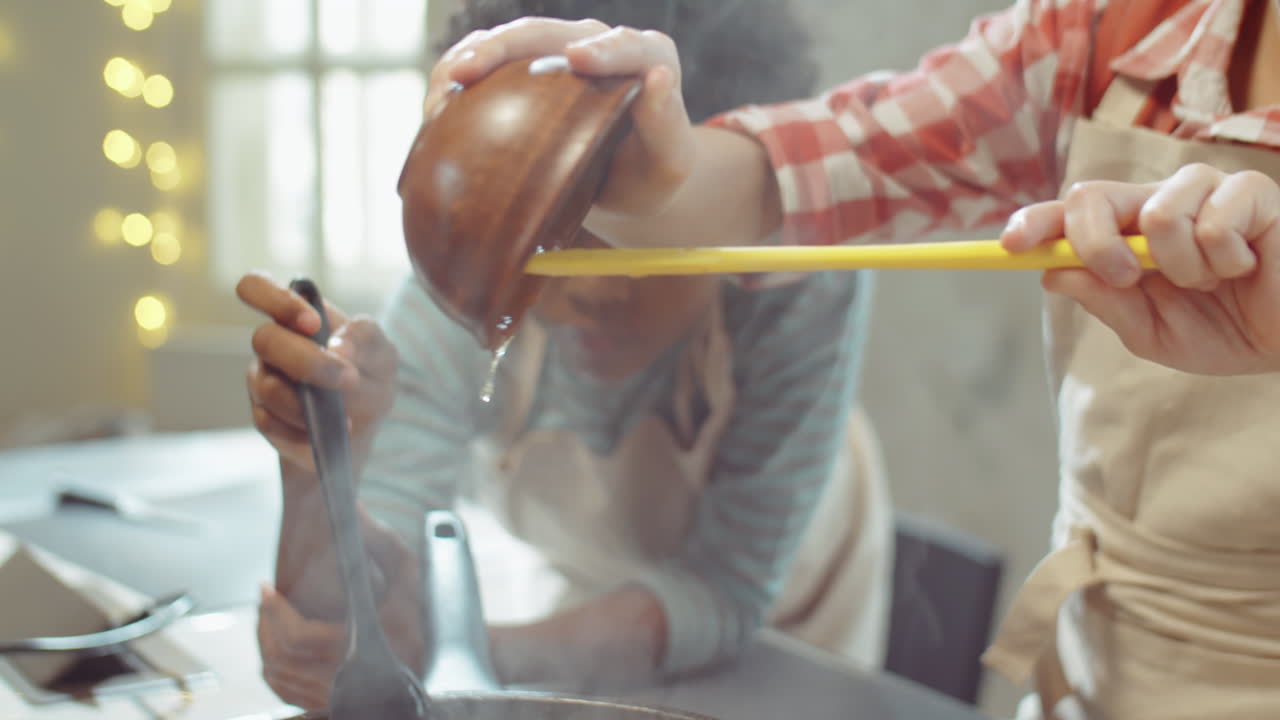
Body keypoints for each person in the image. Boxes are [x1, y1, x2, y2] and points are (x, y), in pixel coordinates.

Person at [417, 0, 1280, 718]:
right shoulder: (1113, 30)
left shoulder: (791, 330)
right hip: (1091, 669)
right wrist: (657, 178)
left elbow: (723, 592)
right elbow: (813, 166)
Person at [239, 0, 895, 711]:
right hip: (595, 601)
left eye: (638, 238)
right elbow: (387, 538)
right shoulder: (471, 269)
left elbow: (724, 592)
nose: (592, 290)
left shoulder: (799, 280)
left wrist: (477, 649)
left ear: (727, 207)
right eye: (559, 244)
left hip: (793, 615)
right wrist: (321, 477)